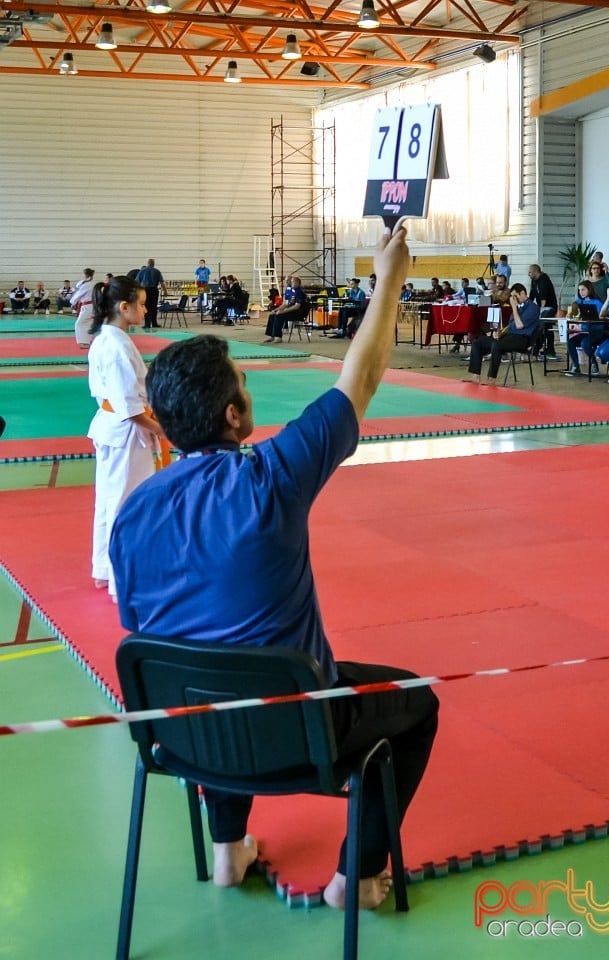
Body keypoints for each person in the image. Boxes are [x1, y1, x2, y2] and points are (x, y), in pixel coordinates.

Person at [110, 224, 439, 909]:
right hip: (301, 736)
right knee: (418, 703)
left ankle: (228, 851)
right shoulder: (271, 477)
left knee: (206, 667)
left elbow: (151, 641)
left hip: (183, 740)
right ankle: (358, 878)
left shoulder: (131, 515)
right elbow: (363, 376)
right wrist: (391, 278)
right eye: (247, 389)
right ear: (235, 416)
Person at [87, 276, 165, 602]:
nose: (146, 310)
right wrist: (165, 429)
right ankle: (122, 582)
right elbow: (130, 409)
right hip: (127, 432)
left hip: (111, 428)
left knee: (108, 503)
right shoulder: (117, 346)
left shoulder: (106, 339)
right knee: (124, 507)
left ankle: (104, 570)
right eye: (142, 304)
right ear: (124, 307)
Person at [463, 283, 540, 385]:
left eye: (515, 296)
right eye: (512, 297)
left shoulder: (532, 308)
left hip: (522, 339)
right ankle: (475, 376)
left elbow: (519, 325)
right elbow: (510, 326)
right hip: (509, 336)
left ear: (522, 293)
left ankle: (491, 378)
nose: (513, 299)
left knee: (497, 345)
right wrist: (499, 333)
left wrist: (514, 307)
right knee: (478, 343)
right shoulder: (517, 307)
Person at [564, 281, 604, 377]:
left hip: (596, 331)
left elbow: (600, 317)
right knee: (570, 341)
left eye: (583, 290)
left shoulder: (597, 303)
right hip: (585, 331)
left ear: (589, 290)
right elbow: (571, 312)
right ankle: (576, 366)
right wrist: (570, 313)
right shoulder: (578, 301)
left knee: (585, 343)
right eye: (579, 290)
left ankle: (593, 362)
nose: (581, 292)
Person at [528, 263, 558, 359]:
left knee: (543, 324)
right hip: (541, 306)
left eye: (530, 272)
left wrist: (541, 311)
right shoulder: (534, 281)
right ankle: (549, 349)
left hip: (549, 307)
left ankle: (539, 348)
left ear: (536, 271)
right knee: (546, 327)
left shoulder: (544, 279)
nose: (528, 274)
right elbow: (532, 295)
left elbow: (544, 297)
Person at [264, 276, 308, 342]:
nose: (291, 283)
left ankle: (278, 337)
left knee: (279, 315)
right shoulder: (291, 291)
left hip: (298, 313)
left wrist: (283, 311)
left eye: (293, 282)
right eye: (291, 282)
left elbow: (297, 306)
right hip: (291, 310)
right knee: (272, 315)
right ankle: (272, 336)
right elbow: (286, 304)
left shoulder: (299, 292)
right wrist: (275, 310)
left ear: (298, 283)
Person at [137, 259, 167, 330]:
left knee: (146, 307)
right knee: (154, 307)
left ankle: (147, 324)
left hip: (145, 290)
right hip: (154, 290)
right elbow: (162, 283)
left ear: (147, 263)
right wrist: (165, 291)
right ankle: (154, 323)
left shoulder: (142, 271)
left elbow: (137, 282)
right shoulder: (157, 271)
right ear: (153, 264)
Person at [70, 268, 96, 348]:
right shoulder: (92, 283)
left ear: (86, 275)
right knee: (88, 324)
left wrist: (73, 302)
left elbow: (79, 294)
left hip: (87, 306)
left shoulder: (87, 284)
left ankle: (84, 343)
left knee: (79, 324)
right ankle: (89, 341)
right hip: (92, 306)